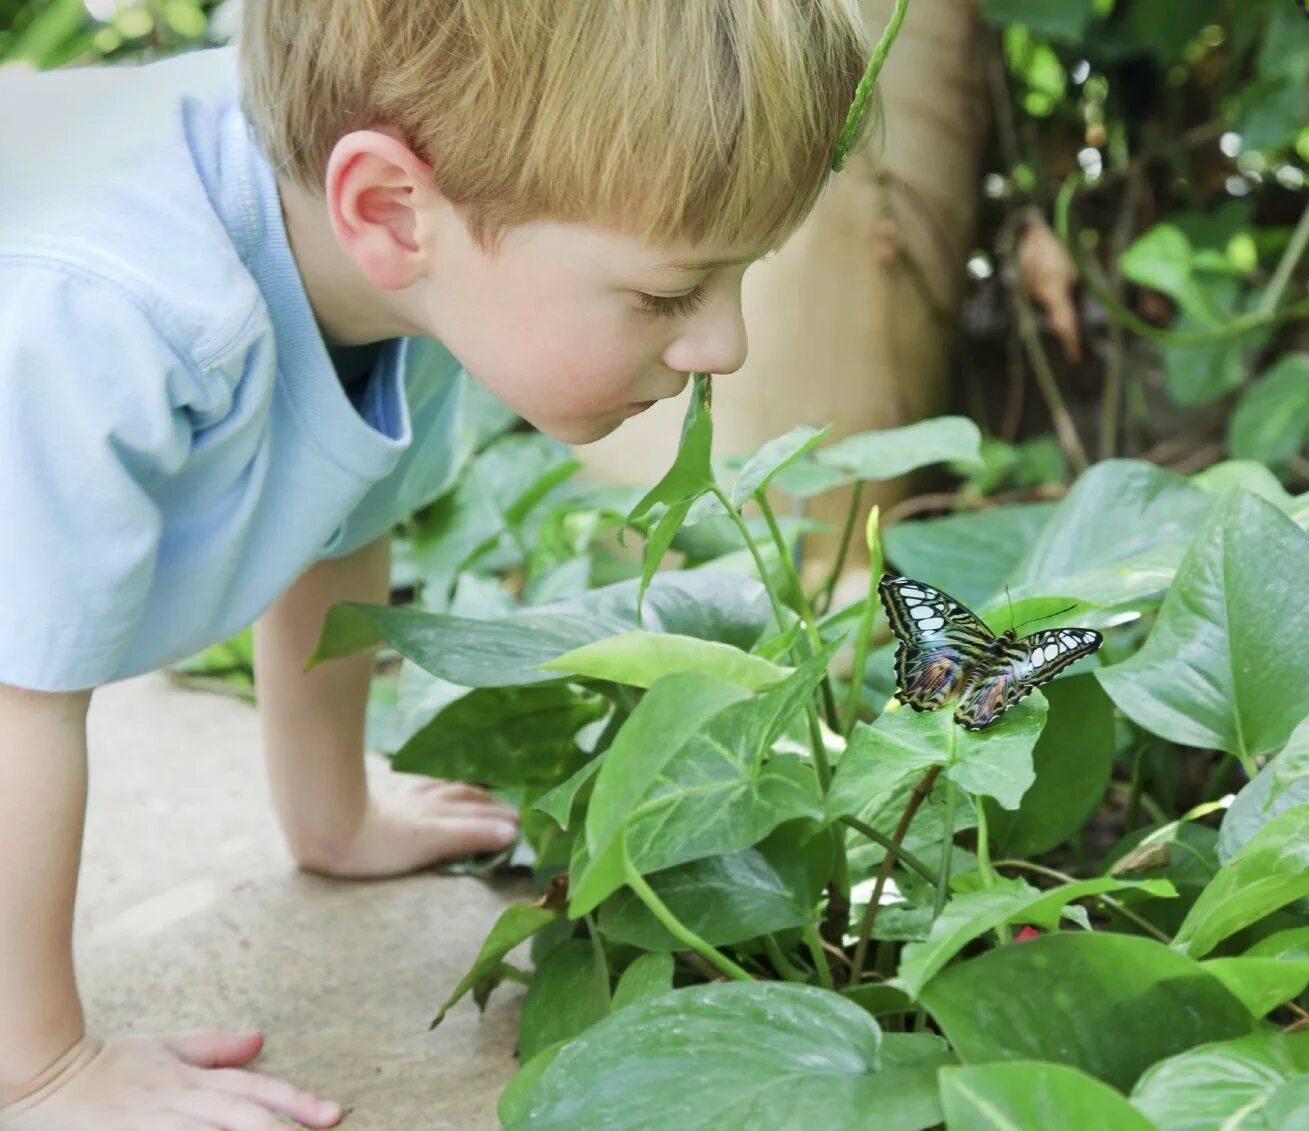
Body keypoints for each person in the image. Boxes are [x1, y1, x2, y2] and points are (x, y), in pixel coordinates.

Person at [0, 1, 869, 1126]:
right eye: (666, 292)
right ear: (390, 210)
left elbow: (339, 520)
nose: (724, 346)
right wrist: (41, 1066)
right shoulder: (114, 313)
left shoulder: (417, 259)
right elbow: (18, 694)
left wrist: (333, 816)